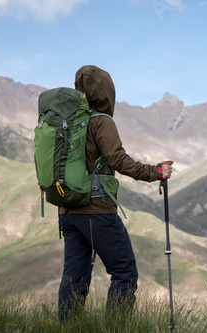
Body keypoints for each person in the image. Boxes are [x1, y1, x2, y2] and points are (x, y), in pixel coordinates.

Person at [57, 65, 173, 321]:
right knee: (124, 271)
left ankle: (67, 327)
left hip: (67, 210)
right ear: (106, 91)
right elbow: (118, 160)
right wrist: (155, 172)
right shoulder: (101, 122)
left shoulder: (67, 122)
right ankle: (116, 327)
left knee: (74, 276)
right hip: (96, 210)